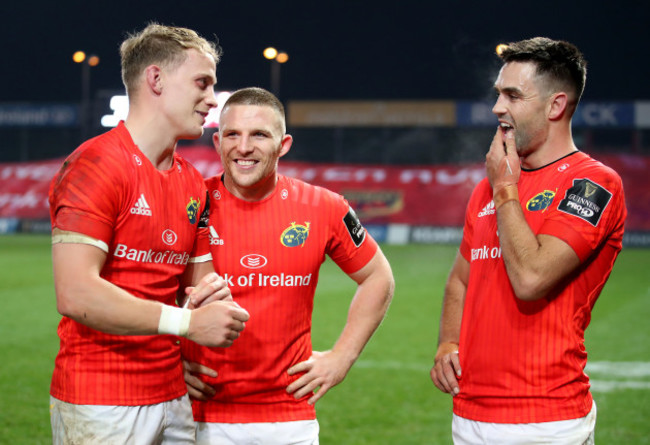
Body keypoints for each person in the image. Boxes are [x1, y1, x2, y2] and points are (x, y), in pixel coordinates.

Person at [48, 23, 250, 444]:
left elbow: (199, 288)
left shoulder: (193, 181)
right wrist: (190, 323)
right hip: (101, 400)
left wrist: (222, 304)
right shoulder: (96, 165)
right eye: (202, 82)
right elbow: (76, 293)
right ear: (155, 79)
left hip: (174, 395)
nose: (212, 99)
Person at [430, 37, 627, 444]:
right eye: (498, 94)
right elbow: (460, 278)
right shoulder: (489, 186)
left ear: (555, 106)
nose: (497, 108)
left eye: (513, 95)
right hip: (470, 414)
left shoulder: (592, 184)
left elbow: (532, 278)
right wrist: (448, 340)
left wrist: (506, 189)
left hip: (545, 421)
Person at [181, 87, 395, 444]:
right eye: (233, 134)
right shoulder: (186, 204)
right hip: (194, 411)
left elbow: (378, 277)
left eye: (259, 135)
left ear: (284, 144)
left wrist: (342, 357)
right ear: (217, 142)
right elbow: (138, 285)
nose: (244, 147)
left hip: (287, 418)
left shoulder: (323, 207)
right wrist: (167, 361)